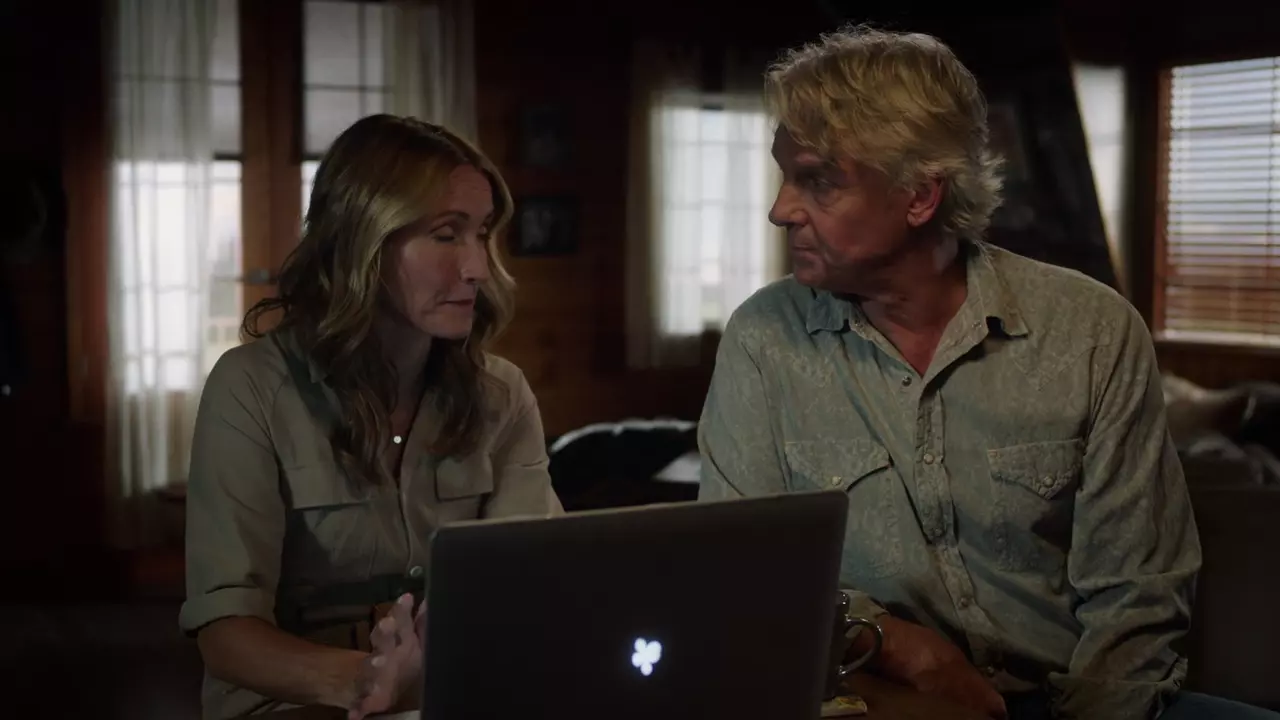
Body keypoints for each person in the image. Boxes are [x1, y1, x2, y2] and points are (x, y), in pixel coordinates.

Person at [698, 26, 1279, 720]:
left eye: (817, 180)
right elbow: (744, 573)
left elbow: (1139, 593)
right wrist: (891, 643)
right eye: (784, 175)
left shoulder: (1091, 331)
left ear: (921, 196)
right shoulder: (764, 338)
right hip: (875, 699)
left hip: (1072, 700)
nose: (779, 209)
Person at [179, 114, 563, 720]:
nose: (477, 268)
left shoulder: (501, 394)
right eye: (446, 235)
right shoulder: (250, 388)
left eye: (482, 233)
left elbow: (532, 581)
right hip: (294, 707)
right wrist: (365, 681)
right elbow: (225, 631)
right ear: (365, 242)